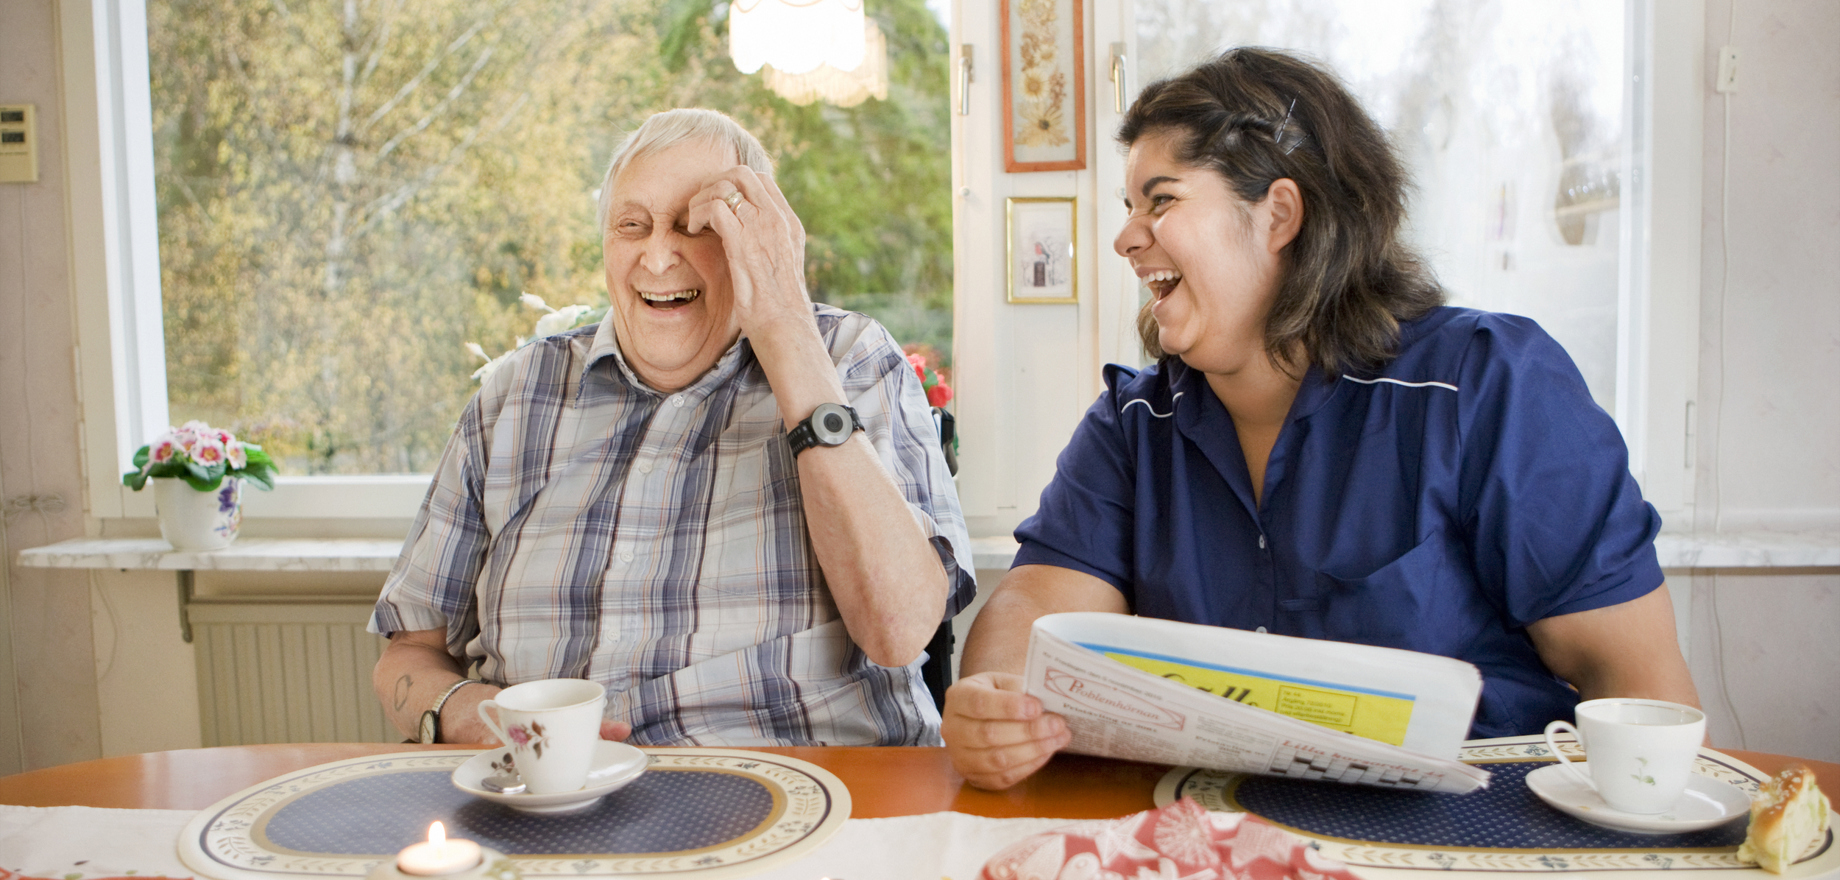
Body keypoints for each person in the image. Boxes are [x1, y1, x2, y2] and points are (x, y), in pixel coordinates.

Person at [941, 48, 1698, 790]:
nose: (1127, 237)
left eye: (1161, 199)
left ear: (1278, 215)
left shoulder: (1489, 385)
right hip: (1212, 837)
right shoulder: (1135, 420)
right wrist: (1000, 703)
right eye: (1129, 207)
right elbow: (1038, 607)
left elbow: (1638, 687)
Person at [369, 109, 974, 747]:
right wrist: (467, 713)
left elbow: (901, 630)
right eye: (632, 226)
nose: (658, 257)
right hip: (556, 801)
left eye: (697, 226)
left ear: (757, 240)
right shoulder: (515, 397)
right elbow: (409, 650)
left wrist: (783, 325)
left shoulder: (850, 358)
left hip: (807, 794)